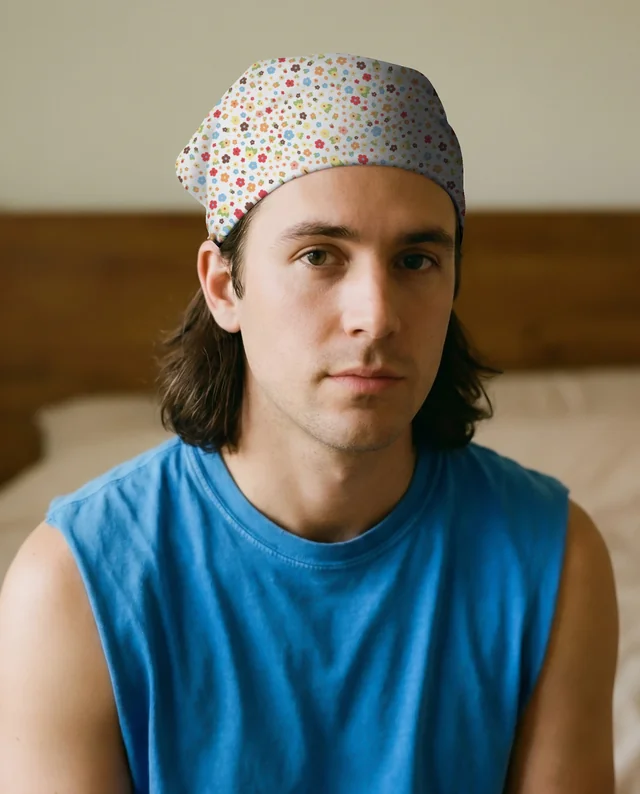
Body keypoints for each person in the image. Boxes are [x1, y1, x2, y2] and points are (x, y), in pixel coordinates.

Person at [0, 53, 618, 793]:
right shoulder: (73, 583)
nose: (376, 317)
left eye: (416, 260)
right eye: (319, 255)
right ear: (224, 287)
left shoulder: (555, 560)